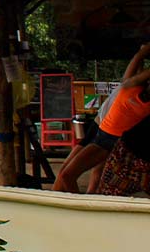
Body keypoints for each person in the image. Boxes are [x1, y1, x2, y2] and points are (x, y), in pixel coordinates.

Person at [54, 42, 150, 193]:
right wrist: (142, 53)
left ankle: (84, 211)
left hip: (117, 144)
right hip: (101, 135)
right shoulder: (131, 86)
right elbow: (136, 64)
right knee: (67, 175)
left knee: (94, 181)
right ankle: (80, 209)